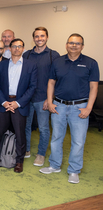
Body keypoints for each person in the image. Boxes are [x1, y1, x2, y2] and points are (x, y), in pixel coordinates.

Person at [40, 34, 99, 184]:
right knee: (56, 138)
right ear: (66, 45)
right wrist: (50, 101)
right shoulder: (58, 62)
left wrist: (89, 108)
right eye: (71, 43)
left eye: (77, 44)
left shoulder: (91, 63)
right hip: (58, 106)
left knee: (78, 141)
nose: (74, 46)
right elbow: (51, 83)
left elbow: (94, 87)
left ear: (82, 46)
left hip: (79, 108)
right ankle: (54, 165)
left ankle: (74, 170)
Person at [0, 39, 37, 173]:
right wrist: (4, 102)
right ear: (9, 48)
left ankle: (19, 161)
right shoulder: (2, 65)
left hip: (20, 104)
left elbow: (32, 87)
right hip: (3, 103)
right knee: (0, 132)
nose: (17, 49)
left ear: (23, 48)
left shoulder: (30, 65)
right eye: (14, 46)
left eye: (19, 46)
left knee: (19, 133)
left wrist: (17, 103)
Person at [24, 27, 60, 166]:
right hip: (27, 98)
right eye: (37, 36)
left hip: (43, 99)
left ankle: (41, 154)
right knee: (26, 126)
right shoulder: (27, 54)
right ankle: (26, 150)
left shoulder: (53, 55)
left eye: (42, 36)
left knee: (44, 128)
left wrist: (49, 99)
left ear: (47, 37)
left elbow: (57, 79)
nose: (39, 38)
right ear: (33, 38)